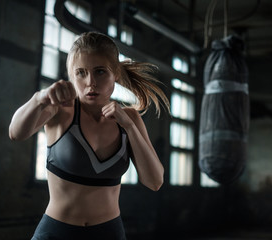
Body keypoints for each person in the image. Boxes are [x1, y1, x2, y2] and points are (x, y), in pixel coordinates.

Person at [9, 31, 169, 240]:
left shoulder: (129, 118)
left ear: (116, 75)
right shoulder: (60, 110)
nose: (90, 82)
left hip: (109, 232)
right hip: (57, 232)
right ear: (72, 76)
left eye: (100, 72)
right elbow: (16, 133)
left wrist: (129, 126)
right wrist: (39, 99)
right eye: (81, 73)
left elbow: (154, 182)